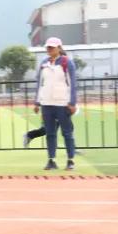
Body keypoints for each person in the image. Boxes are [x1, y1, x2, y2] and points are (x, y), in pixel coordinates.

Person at [35, 37, 77, 171]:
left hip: (62, 103)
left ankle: (70, 160)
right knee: (50, 133)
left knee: (67, 133)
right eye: (48, 47)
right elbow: (39, 84)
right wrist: (37, 102)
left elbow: (73, 84)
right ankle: (51, 160)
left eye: (52, 47)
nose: (49, 49)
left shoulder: (67, 62)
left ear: (59, 48)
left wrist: (72, 102)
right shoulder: (43, 63)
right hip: (47, 103)